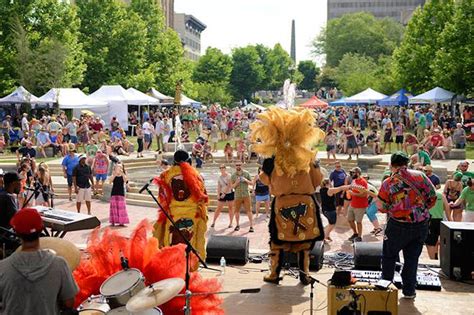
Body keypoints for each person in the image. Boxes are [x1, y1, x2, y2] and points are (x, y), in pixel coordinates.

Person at [377, 151, 436, 299]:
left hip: (397, 225)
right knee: (412, 258)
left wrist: (394, 209)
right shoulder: (420, 176)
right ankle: (409, 291)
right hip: (420, 225)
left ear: (392, 165)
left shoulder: (388, 183)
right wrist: (420, 211)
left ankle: (387, 286)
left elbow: (381, 207)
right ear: (407, 163)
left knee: (389, 256)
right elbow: (432, 197)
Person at [0, 208, 79, 314]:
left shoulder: (3, 267)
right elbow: (69, 303)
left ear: (16, 232)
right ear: (42, 229)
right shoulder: (59, 264)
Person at [425, 191, 451, 260]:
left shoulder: (426, 194)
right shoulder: (441, 195)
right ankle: (439, 259)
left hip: (430, 221)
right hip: (440, 221)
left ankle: (433, 261)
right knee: (438, 242)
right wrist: (450, 221)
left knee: (430, 243)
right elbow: (447, 208)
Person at [346, 167, 368, 242]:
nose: (351, 174)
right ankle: (355, 233)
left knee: (358, 222)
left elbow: (364, 195)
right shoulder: (354, 181)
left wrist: (353, 194)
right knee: (350, 220)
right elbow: (351, 191)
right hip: (352, 204)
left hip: (360, 206)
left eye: (353, 172)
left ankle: (359, 236)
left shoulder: (363, 182)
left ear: (358, 173)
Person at [231, 162, 254, 232]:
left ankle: (251, 226)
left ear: (242, 165)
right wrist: (236, 182)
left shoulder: (246, 173)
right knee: (236, 211)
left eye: (239, 165)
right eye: (237, 165)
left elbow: (252, 183)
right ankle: (237, 225)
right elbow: (232, 187)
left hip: (246, 195)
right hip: (237, 195)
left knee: (249, 211)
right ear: (235, 166)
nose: (238, 166)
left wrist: (246, 180)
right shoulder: (233, 175)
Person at [211, 165, 235, 229]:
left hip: (229, 193)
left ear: (225, 168)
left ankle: (231, 223)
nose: (222, 169)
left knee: (231, 208)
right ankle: (213, 222)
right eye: (220, 168)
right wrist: (218, 194)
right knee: (218, 208)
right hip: (222, 193)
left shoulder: (229, 176)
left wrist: (224, 193)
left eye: (223, 168)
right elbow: (219, 186)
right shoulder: (220, 177)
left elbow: (229, 185)